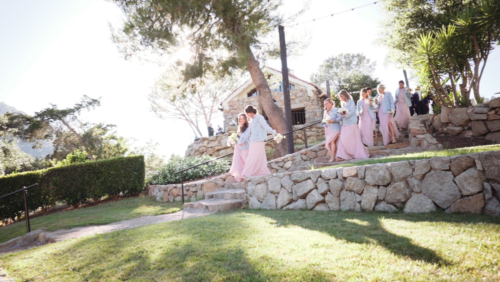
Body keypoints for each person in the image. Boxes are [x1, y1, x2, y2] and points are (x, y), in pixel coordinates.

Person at [241, 105, 277, 179]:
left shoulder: (259, 118)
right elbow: (248, 132)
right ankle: (261, 172)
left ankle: (246, 173)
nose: (248, 115)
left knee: (252, 156)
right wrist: (243, 140)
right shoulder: (251, 121)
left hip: (259, 140)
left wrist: (273, 132)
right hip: (253, 140)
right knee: (258, 156)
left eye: (248, 114)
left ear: (250, 112)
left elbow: (265, 126)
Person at [336, 90, 370, 161]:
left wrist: (345, 115)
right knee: (343, 139)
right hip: (345, 123)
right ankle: (343, 155)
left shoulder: (351, 101)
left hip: (352, 122)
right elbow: (343, 113)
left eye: (341, 96)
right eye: (340, 97)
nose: (341, 98)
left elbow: (352, 111)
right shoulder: (343, 103)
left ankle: (357, 153)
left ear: (345, 95)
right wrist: (340, 115)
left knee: (354, 139)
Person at [230, 114, 251, 182]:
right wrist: (234, 140)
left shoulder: (248, 126)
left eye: (243, 118)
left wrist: (242, 141)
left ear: (246, 119)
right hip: (239, 146)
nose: (242, 120)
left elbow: (248, 136)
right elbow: (239, 137)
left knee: (246, 160)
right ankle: (242, 175)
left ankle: (248, 174)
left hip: (246, 146)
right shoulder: (240, 127)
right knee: (240, 161)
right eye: (240, 119)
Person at [322, 98, 342, 162]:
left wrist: (334, 120)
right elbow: (324, 120)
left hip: (335, 129)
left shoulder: (336, 109)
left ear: (331, 103)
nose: (326, 105)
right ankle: (336, 155)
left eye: (327, 103)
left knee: (331, 142)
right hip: (328, 129)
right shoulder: (325, 111)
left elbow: (340, 118)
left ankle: (332, 157)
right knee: (331, 143)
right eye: (325, 104)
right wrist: (324, 123)